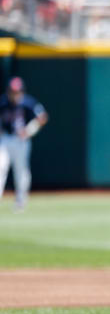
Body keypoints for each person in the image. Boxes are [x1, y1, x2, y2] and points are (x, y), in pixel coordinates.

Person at [0, 76, 49, 212]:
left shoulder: (28, 102)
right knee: (0, 167)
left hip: (21, 141)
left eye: (17, 91)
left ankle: (20, 201)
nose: (14, 94)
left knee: (21, 171)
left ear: (22, 91)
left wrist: (28, 131)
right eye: (12, 91)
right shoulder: (3, 102)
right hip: (5, 139)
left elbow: (43, 117)